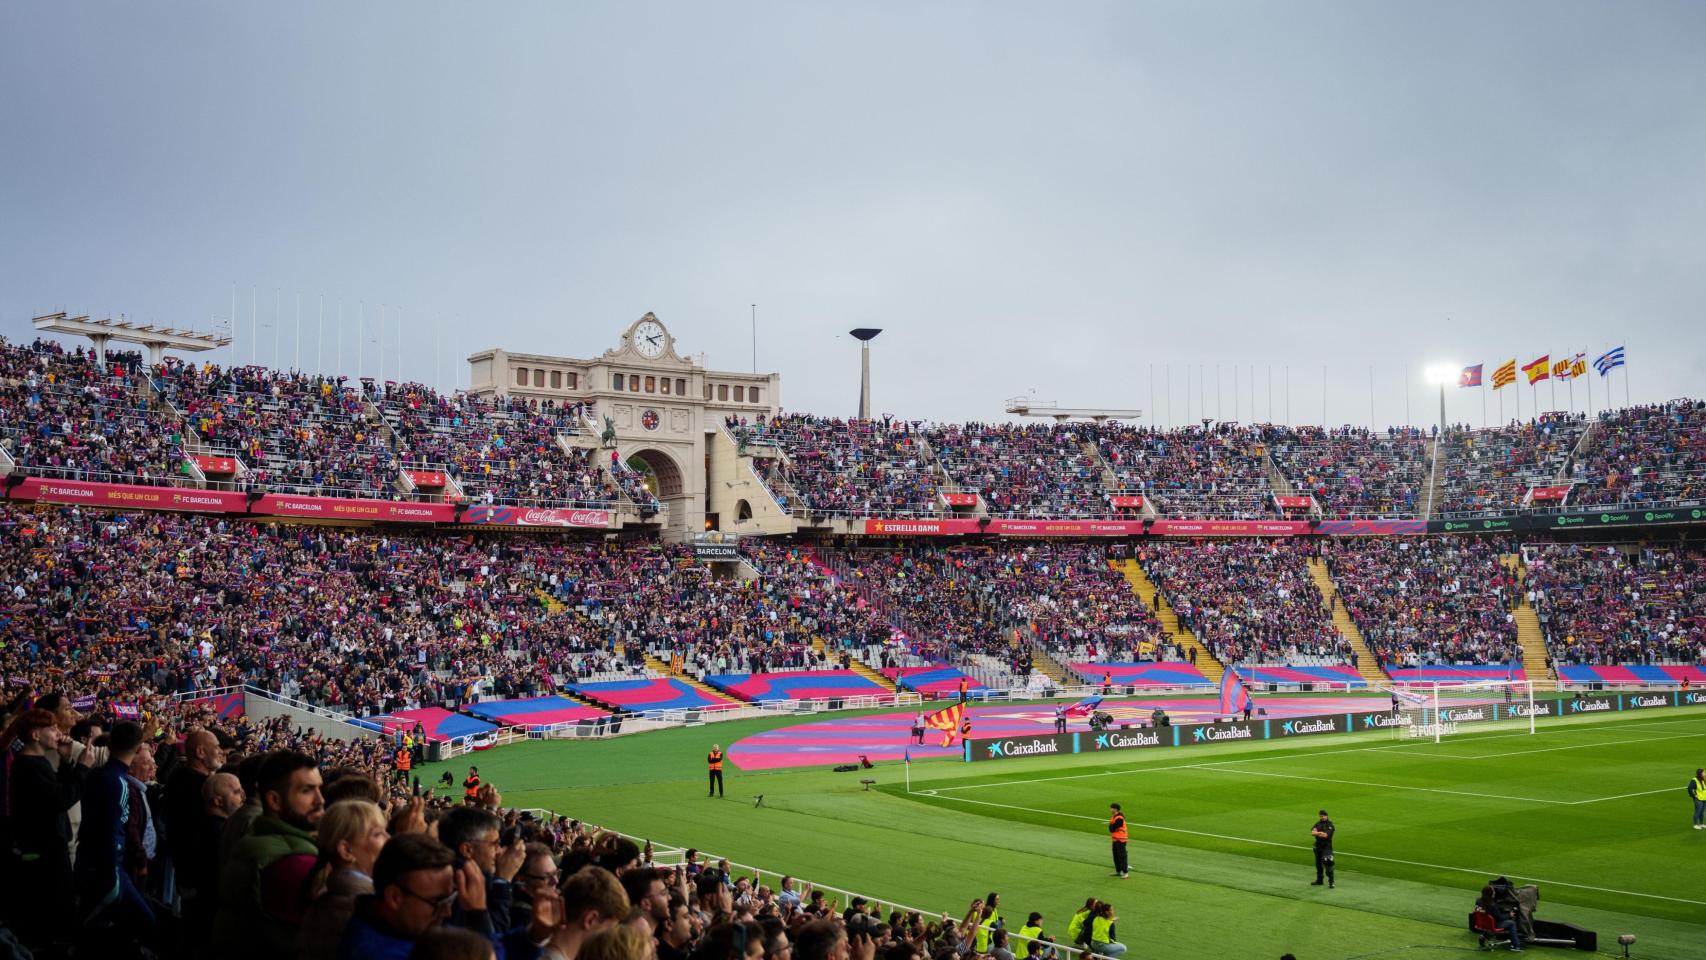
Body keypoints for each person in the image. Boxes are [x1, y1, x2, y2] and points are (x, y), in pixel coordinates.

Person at [212, 750, 326, 957]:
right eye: (307, 790)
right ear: (274, 800)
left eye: (320, 789)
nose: (320, 800)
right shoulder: (293, 863)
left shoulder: (261, 839)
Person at [1, 708, 93, 949]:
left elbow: (55, 793)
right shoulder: (27, 765)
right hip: (45, 857)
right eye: (51, 729)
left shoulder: (35, 762)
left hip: (50, 850)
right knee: (55, 923)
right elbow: (60, 800)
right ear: (35, 735)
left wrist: (65, 762)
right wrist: (82, 767)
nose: (58, 733)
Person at [74, 719, 154, 950]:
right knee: (142, 921)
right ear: (138, 748)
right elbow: (112, 830)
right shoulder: (117, 782)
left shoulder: (98, 775)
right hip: (107, 870)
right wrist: (113, 872)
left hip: (92, 862)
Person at [299, 799, 392, 959]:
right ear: (346, 850)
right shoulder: (362, 909)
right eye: (377, 834)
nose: (389, 838)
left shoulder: (331, 898)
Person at [1310, 809, 1335, 888]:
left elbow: (1325, 835)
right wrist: (1319, 833)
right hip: (1318, 846)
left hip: (1327, 847)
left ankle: (1331, 882)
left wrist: (1318, 833)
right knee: (1318, 865)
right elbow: (1313, 833)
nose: (1322, 817)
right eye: (1320, 816)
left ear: (1326, 816)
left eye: (1323, 816)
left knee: (1328, 862)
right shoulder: (1317, 824)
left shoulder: (1330, 825)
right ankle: (1319, 880)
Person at [1107, 803, 1128, 879]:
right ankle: (1118, 871)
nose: (1110, 809)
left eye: (1111, 808)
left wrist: (1111, 827)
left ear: (1115, 809)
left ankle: (1125, 872)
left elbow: (1112, 828)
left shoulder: (1119, 818)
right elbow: (1110, 828)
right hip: (1115, 839)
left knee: (1122, 856)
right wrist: (1111, 827)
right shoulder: (1114, 817)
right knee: (1115, 856)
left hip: (1121, 840)